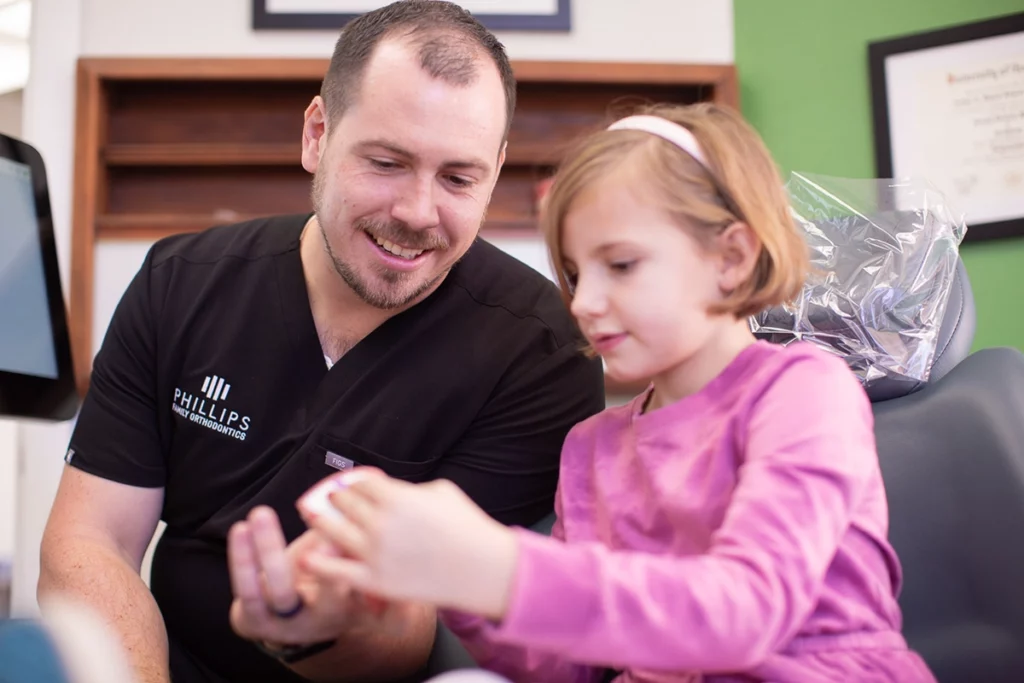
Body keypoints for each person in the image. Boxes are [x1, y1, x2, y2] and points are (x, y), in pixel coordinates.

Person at [37, 2, 604, 682]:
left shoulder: (540, 352)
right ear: (317, 133)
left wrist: (309, 630)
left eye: (458, 178)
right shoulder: (179, 284)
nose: (418, 213)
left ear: (496, 169)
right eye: (388, 162)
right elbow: (88, 540)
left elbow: (433, 631)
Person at [293, 103, 939, 682]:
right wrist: (459, 582)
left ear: (731, 258)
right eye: (574, 274)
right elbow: (568, 663)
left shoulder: (803, 392)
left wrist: (498, 565)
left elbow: (744, 612)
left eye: (621, 265)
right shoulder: (592, 447)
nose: (585, 303)